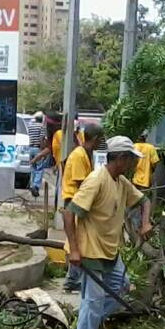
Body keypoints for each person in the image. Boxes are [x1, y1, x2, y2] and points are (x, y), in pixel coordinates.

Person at [64, 136, 152, 329]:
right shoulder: (96, 180)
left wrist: (145, 224)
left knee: (121, 288)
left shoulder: (121, 181)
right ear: (121, 158)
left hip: (110, 250)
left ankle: (87, 328)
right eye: (131, 159)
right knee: (93, 300)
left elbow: (145, 201)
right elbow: (69, 213)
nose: (133, 163)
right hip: (90, 250)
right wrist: (74, 250)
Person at [60, 124, 105, 291]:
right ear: (94, 139)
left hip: (80, 200)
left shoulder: (87, 154)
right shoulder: (79, 155)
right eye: (100, 140)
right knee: (77, 240)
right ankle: (72, 279)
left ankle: (73, 278)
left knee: (80, 239)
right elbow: (81, 183)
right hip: (75, 201)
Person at [27, 111, 46, 198]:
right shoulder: (41, 127)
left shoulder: (30, 126)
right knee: (40, 168)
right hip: (38, 148)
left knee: (33, 168)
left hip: (30, 148)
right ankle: (36, 186)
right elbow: (42, 139)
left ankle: (32, 185)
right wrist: (42, 150)